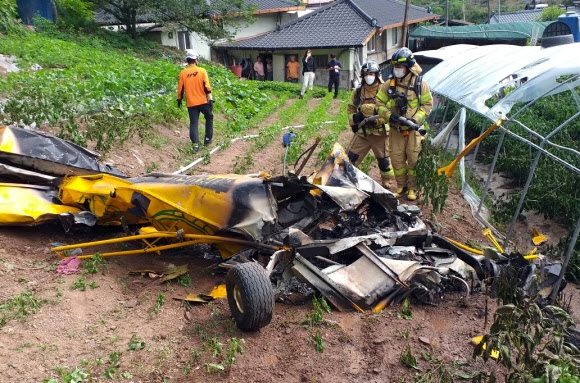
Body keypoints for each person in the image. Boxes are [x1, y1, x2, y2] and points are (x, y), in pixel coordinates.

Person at [376, 47, 433, 201]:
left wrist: (415, 120)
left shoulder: (420, 84)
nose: (397, 70)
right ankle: (402, 187)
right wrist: (389, 116)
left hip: (413, 131)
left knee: (413, 160)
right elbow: (378, 102)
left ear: (408, 67)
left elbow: (427, 105)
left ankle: (413, 188)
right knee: (397, 159)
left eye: (399, 67)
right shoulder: (390, 83)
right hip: (396, 130)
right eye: (395, 67)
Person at [347, 61, 394, 188]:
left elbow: (390, 110)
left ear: (377, 74)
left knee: (384, 161)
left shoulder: (385, 89)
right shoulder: (358, 91)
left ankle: (387, 181)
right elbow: (351, 108)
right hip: (363, 133)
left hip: (380, 133)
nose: (369, 76)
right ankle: (346, 178)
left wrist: (377, 120)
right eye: (366, 74)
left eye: (371, 73)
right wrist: (354, 122)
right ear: (363, 75)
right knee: (351, 158)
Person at [176, 49, 214, 153]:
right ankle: (207, 139)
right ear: (196, 60)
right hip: (202, 101)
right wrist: (210, 99)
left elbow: (180, 89)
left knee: (193, 123)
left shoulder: (183, 73)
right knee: (209, 116)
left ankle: (195, 145)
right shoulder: (202, 71)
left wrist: (179, 99)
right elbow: (207, 87)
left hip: (191, 103)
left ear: (187, 60)